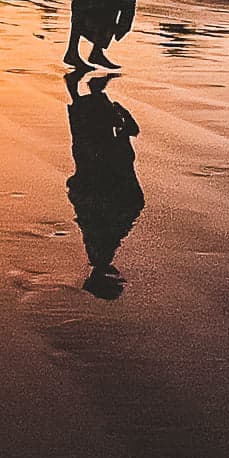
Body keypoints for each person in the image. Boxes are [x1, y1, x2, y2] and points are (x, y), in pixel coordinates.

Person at [65, 71, 144, 299]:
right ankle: (88, 92)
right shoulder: (100, 253)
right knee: (92, 140)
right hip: (101, 183)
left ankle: (88, 93)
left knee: (89, 140)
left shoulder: (100, 253)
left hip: (96, 182)